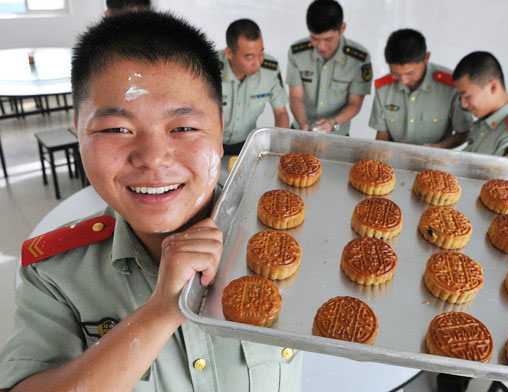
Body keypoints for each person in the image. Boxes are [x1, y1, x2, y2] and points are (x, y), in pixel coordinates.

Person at [0, 11, 302, 392]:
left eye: (184, 127)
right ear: (78, 130)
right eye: (116, 129)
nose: (153, 157)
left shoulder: (286, 234)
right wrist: (159, 313)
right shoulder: (55, 274)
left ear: (222, 127)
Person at [369, 29, 472, 147]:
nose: (403, 81)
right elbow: (382, 135)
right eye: (395, 73)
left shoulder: (451, 87)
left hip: (435, 160)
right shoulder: (383, 89)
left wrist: (436, 149)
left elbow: (464, 132)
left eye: (410, 73)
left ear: (426, 58)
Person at [286, 0, 372, 135]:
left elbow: (355, 103)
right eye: (314, 38)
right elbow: (295, 96)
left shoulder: (359, 59)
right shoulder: (297, 52)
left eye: (328, 39)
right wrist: (303, 124)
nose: (321, 46)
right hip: (300, 130)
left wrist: (333, 123)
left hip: (337, 135)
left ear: (342, 28)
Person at [219, 19, 289, 156]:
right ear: (229, 53)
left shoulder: (270, 70)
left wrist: (279, 148)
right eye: (249, 57)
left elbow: (281, 113)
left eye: (261, 53)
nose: (258, 63)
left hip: (246, 145)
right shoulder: (207, 68)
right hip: (210, 144)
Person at [453, 51, 508, 159]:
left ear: (492, 87)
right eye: (461, 98)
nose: (463, 105)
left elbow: (503, 176)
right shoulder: (484, 124)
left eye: (467, 97)